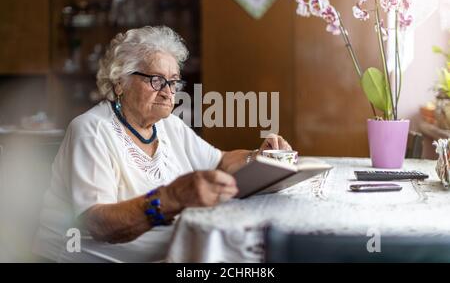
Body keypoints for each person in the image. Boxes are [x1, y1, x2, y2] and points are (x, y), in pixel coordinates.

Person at [33, 26, 292, 262]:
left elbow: (221, 162)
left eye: (173, 81)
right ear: (120, 82)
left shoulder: (169, 126)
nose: (169, 91)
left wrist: (259, 156)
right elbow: (100, 223)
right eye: (156, 80)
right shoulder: (91, 130)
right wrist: (171, 197)